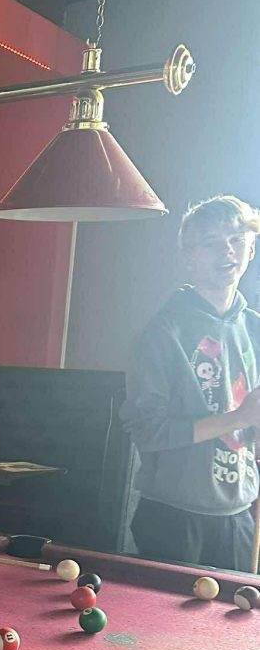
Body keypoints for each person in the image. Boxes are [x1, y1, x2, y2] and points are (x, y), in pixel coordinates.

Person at [123, 195, 260, 572]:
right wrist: (238, 418)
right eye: (212, 242)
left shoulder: (255, 328)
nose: (227, 251)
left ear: (251, 248)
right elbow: (148, 431)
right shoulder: (161, 332)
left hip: (240, 515)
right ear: (188, 257)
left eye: (236, 239)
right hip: (173, 518)